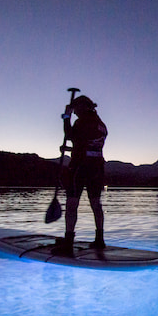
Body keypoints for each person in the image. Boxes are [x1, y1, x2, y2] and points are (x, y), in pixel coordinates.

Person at [53, 95, 108, 255]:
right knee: (96, 204)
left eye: (76, 109)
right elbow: (87, 145)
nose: (75, 112)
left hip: (81, 167)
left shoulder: (82, 121)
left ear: (83, 107)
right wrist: (70, 150)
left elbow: (70, 135)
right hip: (97, 168)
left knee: (72, 204)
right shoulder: (101, 125)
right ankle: (100, 239)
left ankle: (68, 243)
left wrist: (66, 116)